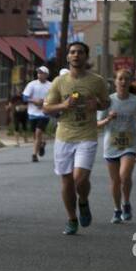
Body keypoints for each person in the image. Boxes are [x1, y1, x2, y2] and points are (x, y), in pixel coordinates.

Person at [42, 42, 111, 235]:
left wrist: (97, 104)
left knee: (79, 179)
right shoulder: (59, 82)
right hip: (64, 135)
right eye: (72, 52)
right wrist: (63, 105)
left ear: (86, 56)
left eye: (80, 52)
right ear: (68, 57)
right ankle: (72, 219)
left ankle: (83, 200)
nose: (76, 55)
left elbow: (106, 102)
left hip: (87, 134)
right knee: (66, 181)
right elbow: (46, 108)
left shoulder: (96, 81)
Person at [97, 69, 136, 223]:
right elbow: (97, 124)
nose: (123, 82)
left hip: (130, 143)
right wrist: (108, 119)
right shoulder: (108, 101)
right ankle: (117, 209)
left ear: (130, 82)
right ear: (115, 82)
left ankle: (126, 202)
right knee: (115, 181)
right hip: (111, 145)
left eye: (126, 79)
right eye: (120, 79)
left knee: (124, 176)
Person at [23, 65, 53, 162]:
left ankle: (34, 155)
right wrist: (34, 101)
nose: (39, 74)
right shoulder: (32, 84)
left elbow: (55, 98)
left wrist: (44, 103)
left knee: (38, 132)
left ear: (46, 75)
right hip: (32, 113)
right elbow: (24, 97)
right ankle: (41, 144)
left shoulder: (51, 85)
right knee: (35, 135)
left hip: (45, 113)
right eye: (38, 73)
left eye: (42, 73)